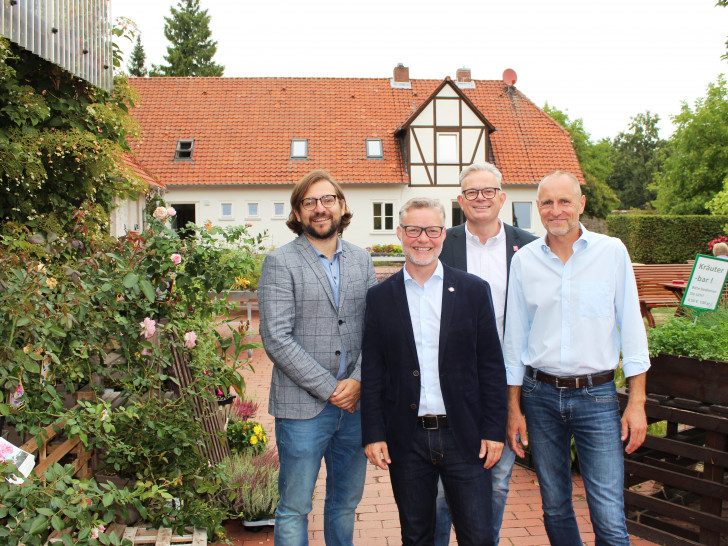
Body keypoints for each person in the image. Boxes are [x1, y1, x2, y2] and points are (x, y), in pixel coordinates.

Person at [503, 171, 650, 545]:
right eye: (548, 203)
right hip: (540, 396)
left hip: (597, 397)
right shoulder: (524, 262)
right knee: (554, 505)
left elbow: (632, 330)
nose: (556, 210)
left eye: (565, 201)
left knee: (608, 512)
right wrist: (514, 408)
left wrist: (636, 402)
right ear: (538, 208)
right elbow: (515, 340)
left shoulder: (612, 252)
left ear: (581, 204)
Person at [361, 197, 507, 546]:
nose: (422, 238)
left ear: (444, 234)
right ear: (400, 233)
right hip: (407, 438)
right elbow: (374, 372)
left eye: (431, 230)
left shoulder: (473, 291)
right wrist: (373, 434)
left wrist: (493, 430)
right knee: (416, 536)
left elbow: (490, 366)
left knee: (478, 535)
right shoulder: (380, 297)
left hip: (465, 437)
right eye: (413, 229)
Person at [258, 169, 377, 545]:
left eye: (328, 200)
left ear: (342, 207)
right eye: (309, 202)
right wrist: (331, 389)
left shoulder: (362, 261)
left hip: (355, 410)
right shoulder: (280, 263)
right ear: (297, 214)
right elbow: (276, 338)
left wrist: (357, 381)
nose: (320, 208)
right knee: (294, 507)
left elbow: (376, 330)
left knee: (344, 503)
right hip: (302, 409)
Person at [436, 162, 537, 545]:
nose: (481, 199)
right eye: (472, 193)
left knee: (496, 481)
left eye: (488, 191)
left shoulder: (528, 247)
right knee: (443, 490)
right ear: (460, 200)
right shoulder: (441, 243)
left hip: (507, 382)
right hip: (451, 381)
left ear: (502, 197)